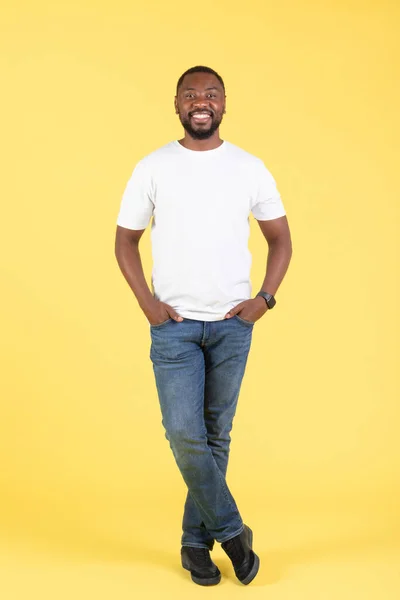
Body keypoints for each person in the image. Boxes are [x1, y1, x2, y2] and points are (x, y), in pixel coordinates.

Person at [115, 65, 292, 586]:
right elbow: (125, 241)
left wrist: (265, 299)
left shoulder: (249, 168)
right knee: (185, 434)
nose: (201, 101)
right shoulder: (152, 167)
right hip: (172, 327)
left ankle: (196, 544)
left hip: (233, 326)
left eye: (211, 94)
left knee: (215, 436)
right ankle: (233, 533)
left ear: (223, 105)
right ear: (175, 104)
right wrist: (147, 304)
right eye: (191, 94)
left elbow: (280, 239)